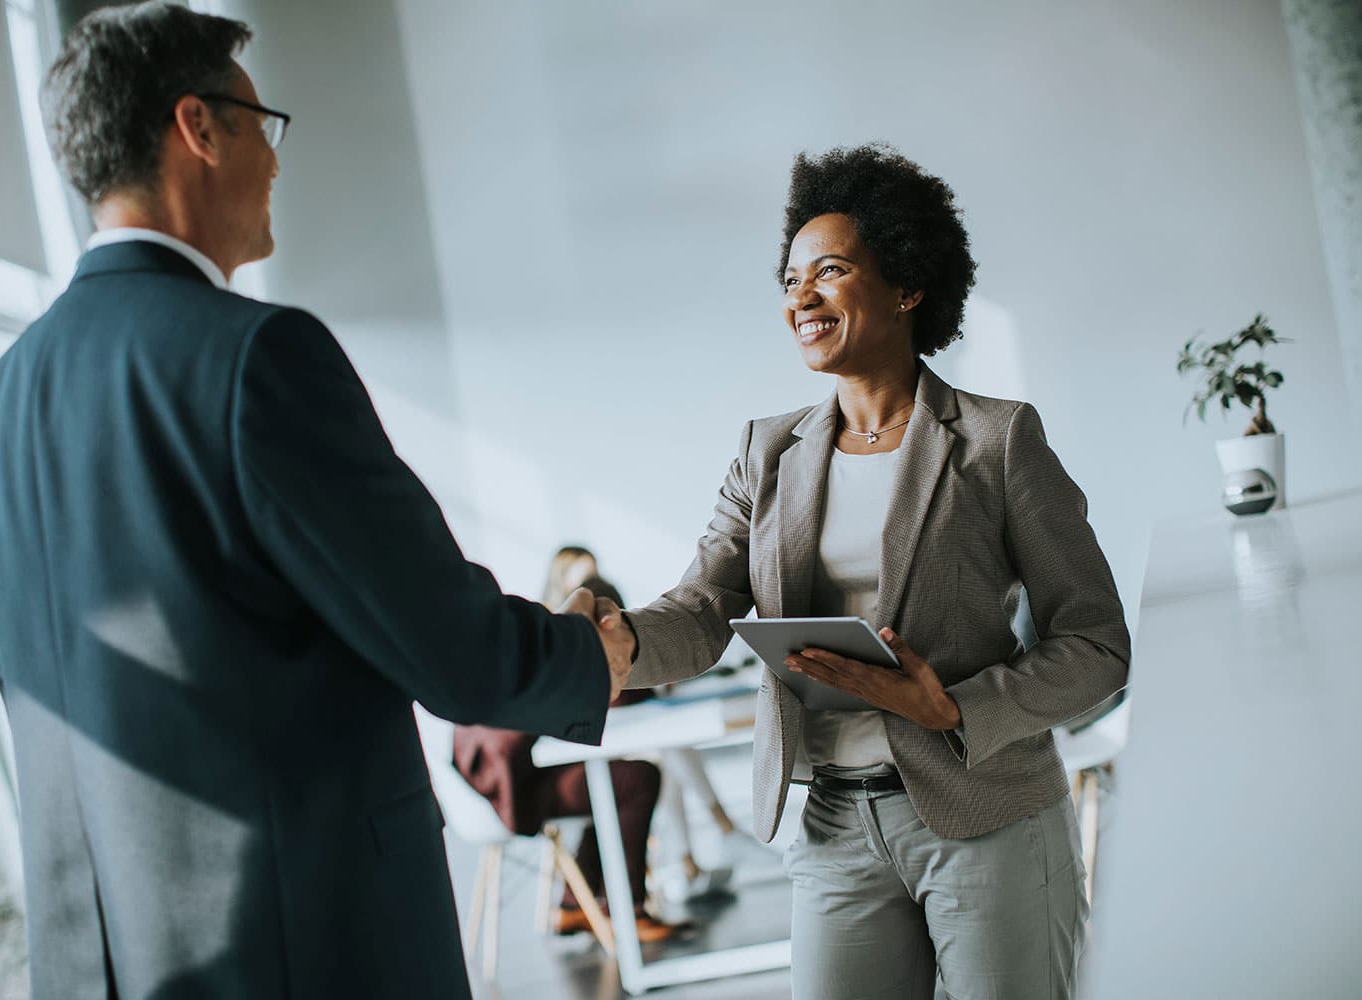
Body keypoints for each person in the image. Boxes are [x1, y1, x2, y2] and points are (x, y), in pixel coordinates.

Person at [0, 5, 630, 997]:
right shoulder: (255, 357)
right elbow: (446, 642)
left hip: (105, 963)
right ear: (199, 127)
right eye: (262, 126)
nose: (275, 162)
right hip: (305, 942)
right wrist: (590, 655)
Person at [596, 144, 1131, 1000]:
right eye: (789, 279)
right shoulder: (766, 454)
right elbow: (701, 609)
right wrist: (621, 644)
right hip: (835, 821)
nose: (800, 297)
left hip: (987, 809)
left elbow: (1098, 645)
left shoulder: (997, 442)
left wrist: (955, 708)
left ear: (908, 286)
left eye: (830, 271)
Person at [454, 572, 686, 943]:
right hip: (509, 791)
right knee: (635, 779)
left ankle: (572, 905)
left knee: (608, 780)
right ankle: (627, 912)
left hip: (483, 785)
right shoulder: (561, 642)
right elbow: (608, 695)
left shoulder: (525, 633)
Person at [543, 546, 746, 901]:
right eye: (581, 578)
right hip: (584, 748)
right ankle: (715, 830)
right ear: (562, 583)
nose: (592, 586)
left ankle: (689, 858)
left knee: (668, 751)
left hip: (621, 735)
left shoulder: (605, 626)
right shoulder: (557, 633)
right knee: (667, 752)